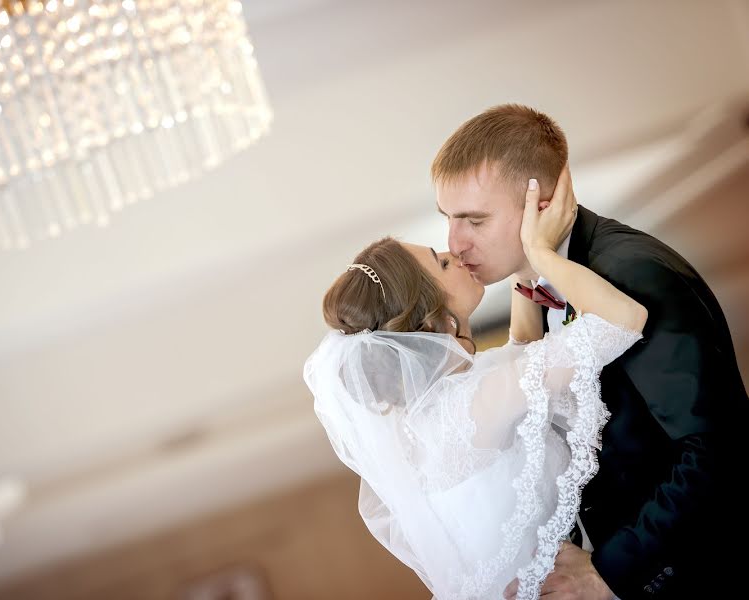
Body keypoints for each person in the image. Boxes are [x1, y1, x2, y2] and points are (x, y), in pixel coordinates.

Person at [431, 104, 748, 599]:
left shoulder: (631, 273)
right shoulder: (538, 285)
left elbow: (717, 446)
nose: (454, 241)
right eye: (448, 219)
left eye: (474, 219)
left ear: (545, 200)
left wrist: (608, 571)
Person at [303, 170, 647, 599]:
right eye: (442, 262)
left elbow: (522, 350)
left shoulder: (439, 410)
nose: (455, 252)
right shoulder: (468, 406)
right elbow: (624, 320)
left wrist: (522, 268)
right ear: (432, 317)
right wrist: (541, 253)